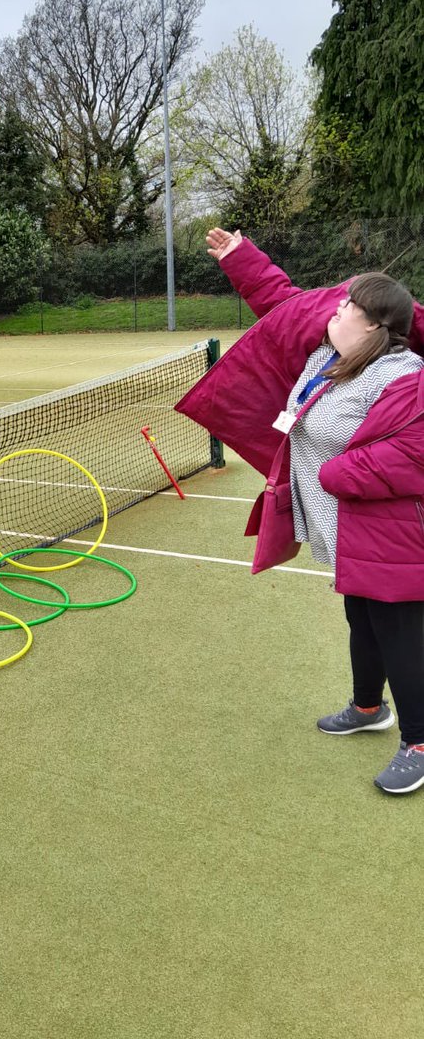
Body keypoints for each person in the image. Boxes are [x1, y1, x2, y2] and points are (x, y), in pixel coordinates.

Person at [177, 228, 424, 795]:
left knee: (401, 637)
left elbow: (411, 457)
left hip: (390, 537)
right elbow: (285, 305)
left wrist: (335, 475)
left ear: (374, 327)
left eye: (347, 306)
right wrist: (240, 259)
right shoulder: (329, 354)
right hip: (346, 529)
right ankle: (368, 707)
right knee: (360, 620)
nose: (334, 309)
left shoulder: (404, 377)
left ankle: (419, 738)